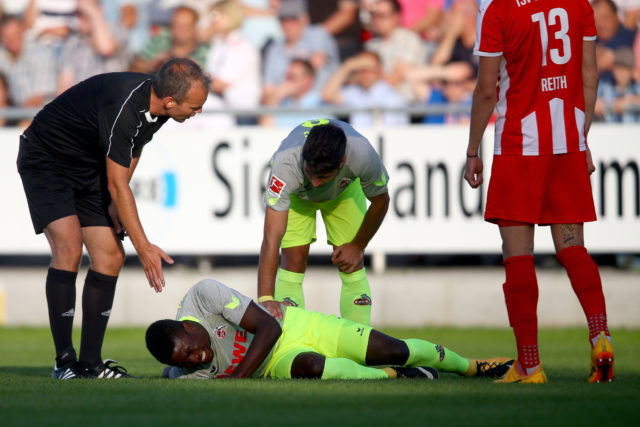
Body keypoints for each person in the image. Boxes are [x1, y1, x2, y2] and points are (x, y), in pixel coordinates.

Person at [16, 58, 210, 380]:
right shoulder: (127, 106)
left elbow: (134, 148)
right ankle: (64, 363)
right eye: (195, 106)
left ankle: (91, 365)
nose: (198, 112)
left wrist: (116, 206)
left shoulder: (160, 106)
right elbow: (118, 184)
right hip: (47, 160)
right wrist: (144, 245)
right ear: (171, 101)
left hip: (89, 168)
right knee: (69, 248)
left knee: (109, 257)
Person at [464, 0, 614, 384]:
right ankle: (600, 336)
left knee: (518, 256)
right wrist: (581, 138)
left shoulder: (498, 9)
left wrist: (472, 150)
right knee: (573, 249)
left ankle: (530, 363)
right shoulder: (579, 4)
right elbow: (590, 75)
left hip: (520, 142)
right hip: (567, 141)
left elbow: (486, 89)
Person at [146, 278, 513, 380]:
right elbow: (172, 372)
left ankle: (470, 366)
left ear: (187, 326)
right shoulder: (185, 371)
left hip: (295, 326)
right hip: (276, 363)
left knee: (395, 348)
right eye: (189, 361)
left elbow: (269, 327)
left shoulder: (204, 295)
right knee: (312, 367)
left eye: (192, 349)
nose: (200, 358)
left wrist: (240, 374)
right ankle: (394, 377)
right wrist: (172, 371)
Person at [257, 120, 389, 325]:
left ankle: (359, 343)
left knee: (351, 262)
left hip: (344, 194)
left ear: (342, 162)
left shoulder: (362, 154)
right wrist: (265, 299)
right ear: (303, 159)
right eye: (310, 173)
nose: (316, 184)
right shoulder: (285, 164)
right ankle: (293, 344)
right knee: (293, 260)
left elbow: (381, 201)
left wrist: (357, 245)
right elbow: (271, 237)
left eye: (324, 176)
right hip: (298, 198)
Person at [322, 51, 409, 127]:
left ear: (379, 68)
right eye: (361, 68)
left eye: (369, 67)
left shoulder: (392, 96)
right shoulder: (355, 91)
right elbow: (327, 95)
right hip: (360, 143)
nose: (365, 72)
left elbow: (390, 131)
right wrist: (348, 66)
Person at [130, 6, 209, 73]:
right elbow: (134, 67)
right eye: (177, 25)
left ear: (195, 28)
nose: (181, 30)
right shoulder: (160, 41)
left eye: (186, 26)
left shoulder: (205, 51)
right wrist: (152, 65)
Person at [260, 58, 327, 127]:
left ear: (308, 80)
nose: (287, 82)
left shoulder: (320, 102)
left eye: (293, 77)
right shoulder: (283, 102)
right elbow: (265, 128)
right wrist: (274, 98)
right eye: (287, 77)